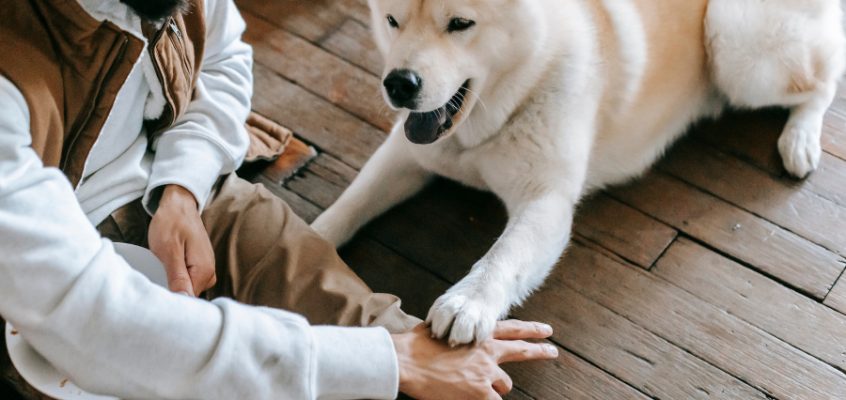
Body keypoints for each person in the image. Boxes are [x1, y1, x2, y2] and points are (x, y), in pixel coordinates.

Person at [0, 0, 558, 399]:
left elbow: (222, 59)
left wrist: (182, 186)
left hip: (176, 192)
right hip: (31, 279)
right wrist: (387, 363)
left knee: (374, 324)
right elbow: (100, 325)